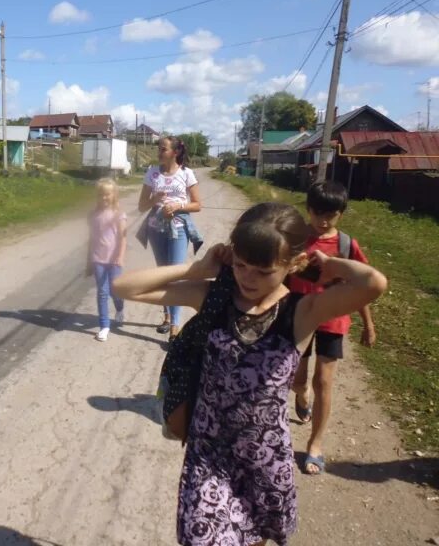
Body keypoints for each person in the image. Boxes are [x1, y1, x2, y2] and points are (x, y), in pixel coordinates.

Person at [113, 202, 387, 546]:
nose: (248, 277)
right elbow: (123, 287)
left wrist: (330, 264)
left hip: (264, 458)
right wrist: (196, 269)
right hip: (208, 452)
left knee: (253, 537)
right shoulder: (214, 298)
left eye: (263, 270)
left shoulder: (302, 312)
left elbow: (375, 283)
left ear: (293, 263)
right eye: (241, 265)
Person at [288, 181, 375, 476]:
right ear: (308, 209)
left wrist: (368, 324)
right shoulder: (297, 238)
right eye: (317, 213)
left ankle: (315, 445)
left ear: (341, 213)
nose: (323, 221)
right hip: (300, 316)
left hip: (333, 319)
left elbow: (361, 286)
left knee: (323, 381)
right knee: (298, 379)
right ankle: (300, 396)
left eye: (331, 214)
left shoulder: (346, 245)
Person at [137, 137, 202, 338]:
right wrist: (154, 199)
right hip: (156, 229)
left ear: (175, 152)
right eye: (159, 148)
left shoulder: (186, 173)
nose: (159, 151)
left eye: (162, 148)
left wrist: (178, 206)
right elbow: (141, 206)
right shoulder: (152, 173)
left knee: (175, 276)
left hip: (179, 229)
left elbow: (198, 204)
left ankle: (175, 326)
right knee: (163, 275)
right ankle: (166, 316)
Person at [86, 178, 127, 342]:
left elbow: (123, 238)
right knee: (102, 292)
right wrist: (89, 261)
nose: (104, 198)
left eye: (107, 194)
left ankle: (120, 308)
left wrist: (120, 256)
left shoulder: (118, 215)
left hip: (114, 260)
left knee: (115, 290)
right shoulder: (93, 215)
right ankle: (104, 326)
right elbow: (91, 238)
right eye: (101, 195)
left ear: (114, 195)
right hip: (98, 259)